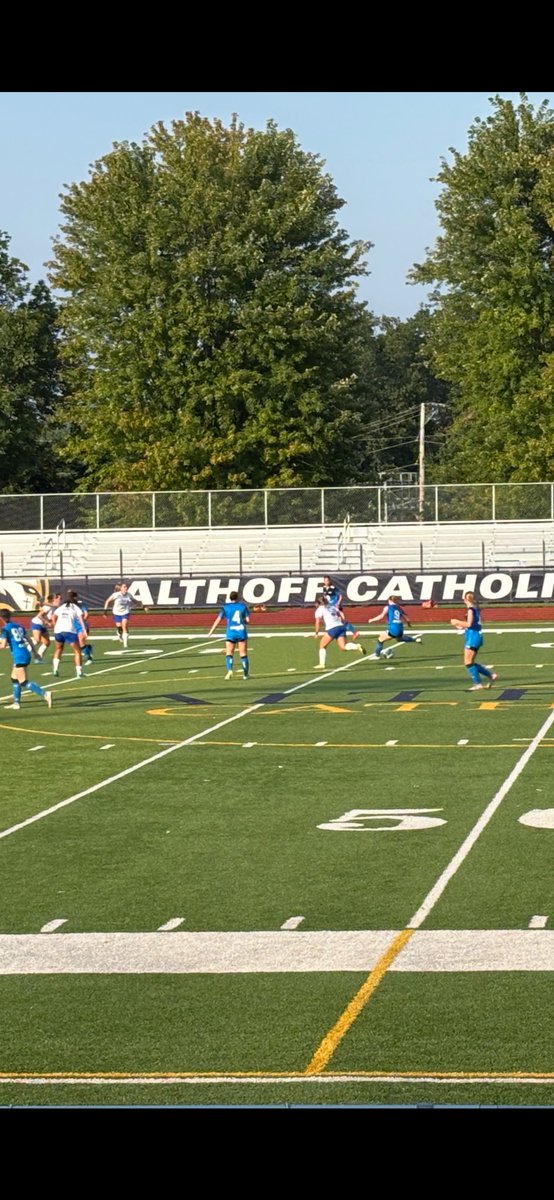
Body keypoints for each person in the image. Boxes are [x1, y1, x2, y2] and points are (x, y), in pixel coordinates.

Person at [0, 609, 52, 710]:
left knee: (23, 681)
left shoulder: (5, 629)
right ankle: (16, 703)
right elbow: (29, 640)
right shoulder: (19, 626)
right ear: (10, 616)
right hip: (25, 653)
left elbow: (3, 645)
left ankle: (45, 694)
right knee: (14, 679)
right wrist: (35, 653)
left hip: (19, 656)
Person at [451, 591, 498, 691]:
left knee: (468, 662)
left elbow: (469, 624)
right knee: (470, 661)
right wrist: (460, 627)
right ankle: (490, 676)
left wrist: (456, 621)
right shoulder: (474, 609)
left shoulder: (471, 609)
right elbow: (472, 625)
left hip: (473, 637)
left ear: (465, 599)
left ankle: (479, 683)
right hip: (473, 635)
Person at [313, 594, 366, 669]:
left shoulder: (319, 609)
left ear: (317, 603)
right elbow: (339, 614)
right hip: (341, 627)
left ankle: (322, 664)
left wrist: (316, 633)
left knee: (322, 645)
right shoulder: (331, 606)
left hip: (332, 628)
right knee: (343, 647)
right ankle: (356, 646)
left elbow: (317, 622)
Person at [207, 590, 250, 679]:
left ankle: (230, 670)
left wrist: (211, 631)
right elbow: (248, 620)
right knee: (243, 654)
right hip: (241, 632)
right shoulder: (242, 606)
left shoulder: (226, 607)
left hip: (230, 632)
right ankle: (245, 674)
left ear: (230, 598)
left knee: (229, 653)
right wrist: (243, 621)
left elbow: (218, 620)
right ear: (237, 597)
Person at [367, 594, 422, 659]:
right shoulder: (399, 608)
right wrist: (408, 624)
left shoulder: (388, 607)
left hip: (393, 628)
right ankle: (414, 640)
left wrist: (372, 620)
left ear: (389, 600)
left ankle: (377, 655)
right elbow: (407, 619)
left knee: (380, 639)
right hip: (400, 627)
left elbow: (381, 616)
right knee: (399, 639)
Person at [52, 590, 87, 678]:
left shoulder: (62, 606)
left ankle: (55, 669)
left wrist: (55, 626)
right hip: (69, 631)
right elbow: (81, 619)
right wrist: (84, 630)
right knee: (77, 651)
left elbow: (53, 616)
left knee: (58, 649)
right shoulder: (75, 607)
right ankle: (79, 672)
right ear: (74, 598)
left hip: (58, 631)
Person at [322, 575, 360, 640]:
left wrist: (338, 603)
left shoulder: (333, 588)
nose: (326, 582)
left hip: (336, 607)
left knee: (341, 621)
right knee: (333, 620)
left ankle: (354, 632)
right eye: (325, 581)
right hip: (330, 608)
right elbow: (326, 598)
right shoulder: (324, 588)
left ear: (329, 581)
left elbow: (340, 596)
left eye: (327, 580)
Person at [103, 582, 135, 648]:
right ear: (120, 588)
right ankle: (119, 634)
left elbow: (135, 600)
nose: (126, 588)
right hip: (116, 613)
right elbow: (107, 601)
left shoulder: (129, 595)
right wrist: (105, 612)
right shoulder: (116, 595)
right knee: (120, 628)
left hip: (125, 612)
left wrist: (143, 606)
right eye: (124, 587)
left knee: (124, 627)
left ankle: (125, 644)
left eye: (126, 587)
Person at [29, 592, 60, 659]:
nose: (60, 601)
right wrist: (47, 622)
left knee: (47, 642)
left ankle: (38, 657)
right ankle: (26, 651)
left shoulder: (54, 607)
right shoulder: (48, 607)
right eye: (58, 599)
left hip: (42, 626)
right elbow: (39, 615)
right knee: (37, 640)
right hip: (37, 623)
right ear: (53, 600)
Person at [74, 595, 93, 664]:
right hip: (74, 627)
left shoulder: (81, 606)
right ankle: (88, 647)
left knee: (81, 641)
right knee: (78, 645)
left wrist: (83, 620)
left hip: (82, 626)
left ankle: (89, 658)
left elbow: (86, 614)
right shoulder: (69, 606)